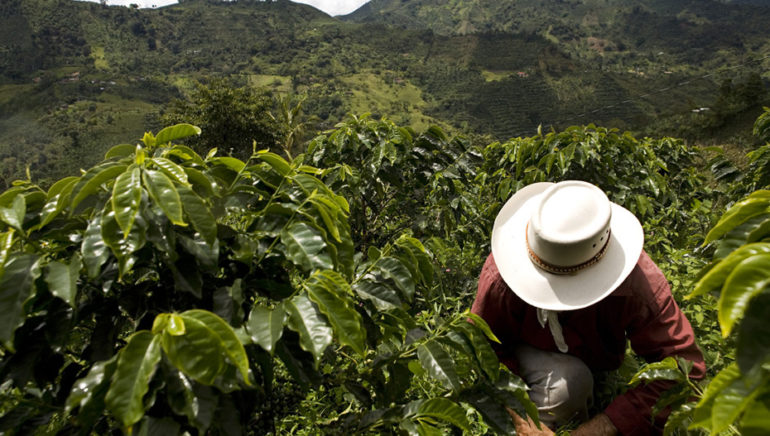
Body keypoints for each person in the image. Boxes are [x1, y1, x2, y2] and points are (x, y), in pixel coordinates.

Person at [471, 181, 705, 436]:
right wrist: (520, 416)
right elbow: (481, 347)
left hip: (596, 361)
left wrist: (600, 428)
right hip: (525, 352)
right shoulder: (503, 277)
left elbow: (684, 368)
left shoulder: (638, 284)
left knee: (575, 383)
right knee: (568, 385)